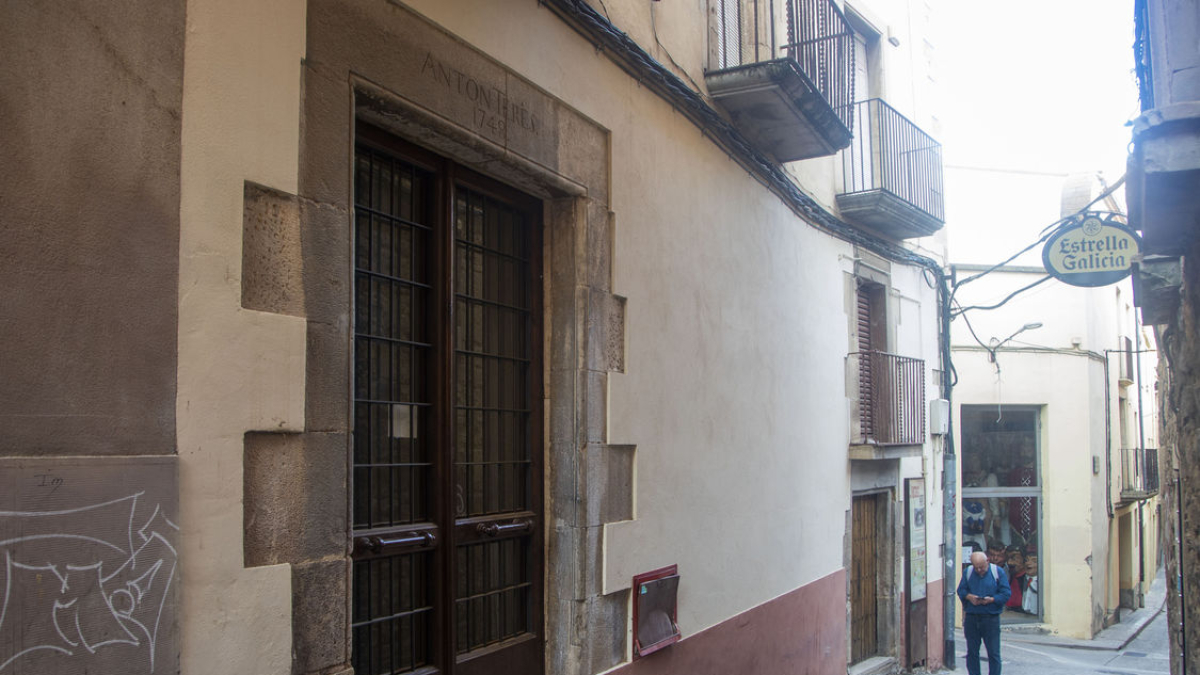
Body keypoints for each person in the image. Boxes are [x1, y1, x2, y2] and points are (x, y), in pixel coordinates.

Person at [957, 551, 1011, 675]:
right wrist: (969, 597)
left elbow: (1006, 593)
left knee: (993, 653)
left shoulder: (997, 572)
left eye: (981, 566)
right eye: (976, 567)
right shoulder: (968, 572)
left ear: (987, 561)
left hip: (990, 618)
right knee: (972, 652)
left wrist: (992, 600)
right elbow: (961, 590)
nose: (979, 570)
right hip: (972, 617)